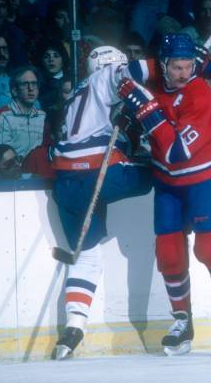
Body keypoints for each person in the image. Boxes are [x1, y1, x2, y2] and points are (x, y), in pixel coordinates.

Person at [117, 33, 211, 357]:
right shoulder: (156, 79)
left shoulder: (200, 95)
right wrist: (128, 112)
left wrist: (146, 110)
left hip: (206, 177)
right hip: (168, 183)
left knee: (210, 247)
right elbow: (123, 74)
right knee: (168, 253)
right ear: (163, 66)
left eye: (188, 66)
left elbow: (176, 151)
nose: (184, 74)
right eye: (176, 67)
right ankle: (182, 322)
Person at [51, 46, 153, 360]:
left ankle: (74, 327)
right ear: (107, 65)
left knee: (86, 255)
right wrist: (177, 62)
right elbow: (134, 74)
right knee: (158, 171)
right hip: (97, 173)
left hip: (66, 185)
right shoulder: (103, 77)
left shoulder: (76, 94)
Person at [0, 66, 49, 159]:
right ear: (14, 91)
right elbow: (3, 152)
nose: (31, 88)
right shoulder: (2, 115)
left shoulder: (42, 116)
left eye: (34, 84)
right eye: (25, 84)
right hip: (12, 168)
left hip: (36, 169)